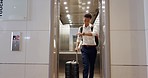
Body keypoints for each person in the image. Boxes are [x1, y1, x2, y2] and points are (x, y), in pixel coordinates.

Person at [75, 13, 98, 78]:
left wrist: (84, 34)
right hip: (84, 49)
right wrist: (77, 46)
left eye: (87, 20)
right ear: (83, 19)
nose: (86, 21)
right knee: (86, 65)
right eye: (85, 20)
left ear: (90, 20)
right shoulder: (81, 28)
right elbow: (78, 39)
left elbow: (94, 34)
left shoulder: (93, 27)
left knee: (92, 66)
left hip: (92, 48)